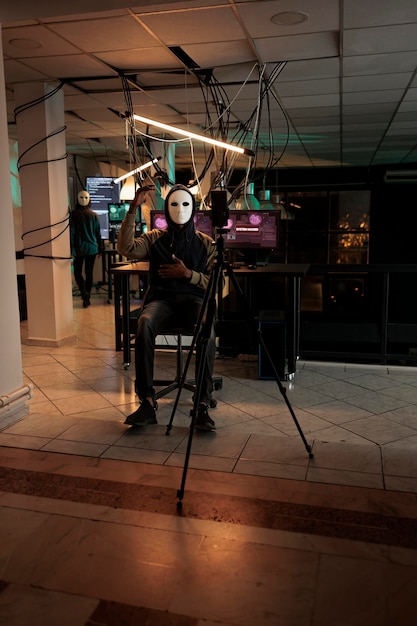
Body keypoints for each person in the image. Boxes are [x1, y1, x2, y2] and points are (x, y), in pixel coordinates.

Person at [117, 183, 217, 431]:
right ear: (165, 209)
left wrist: (188, 275)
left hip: (194, 301)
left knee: (207, 327)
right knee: (144, 323)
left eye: (185, 204)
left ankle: (202, 402)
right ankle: (147, 402)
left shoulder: (206, 244)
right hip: (162, 302)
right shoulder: (154, 239)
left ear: (193, 209)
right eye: (174, 204)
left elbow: (216, 283)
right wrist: (133, 208)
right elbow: (125, 248)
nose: (180, 210)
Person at [70, 190, 103, 308]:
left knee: (77, 272)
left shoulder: (74, 214)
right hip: (92, 248)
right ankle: (87, 297)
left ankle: (84, 293)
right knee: (89, 273)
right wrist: (100, 248)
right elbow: (98, 233)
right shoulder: (94, 215)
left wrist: (72, 250)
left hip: (79, 249)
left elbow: (72, 233)